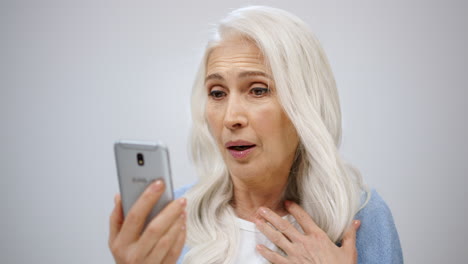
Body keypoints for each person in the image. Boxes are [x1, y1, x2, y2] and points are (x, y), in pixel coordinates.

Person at [109, 6, 403, 264]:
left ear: (305, 103)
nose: (230, 118)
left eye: (258, 90)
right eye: (217, 93)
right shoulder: (171, 221)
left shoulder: (361, 216)